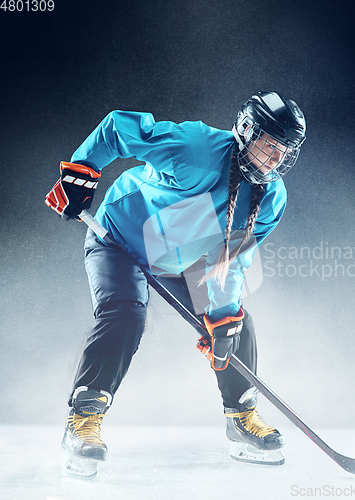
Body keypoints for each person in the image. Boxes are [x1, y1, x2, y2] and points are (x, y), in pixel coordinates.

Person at [45, 91, 306, 476]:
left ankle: (241, 416)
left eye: (285, 151)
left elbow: (229, 261)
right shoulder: (196, 148)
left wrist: (219, 320)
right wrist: (81, 173)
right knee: (124, 316)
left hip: (180, 255)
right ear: (247, 131)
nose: (277, 159)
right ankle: (82, 419)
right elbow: (120, 127)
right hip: (118, 239)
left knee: (235, 325)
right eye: (271, 145)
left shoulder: (270, 199)